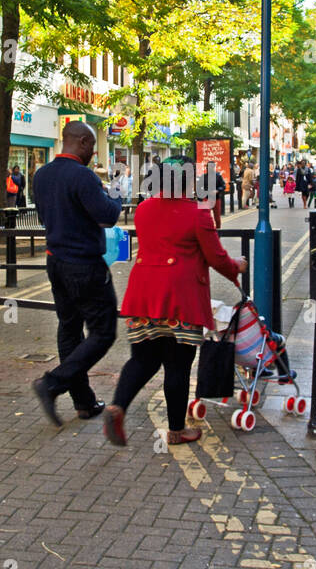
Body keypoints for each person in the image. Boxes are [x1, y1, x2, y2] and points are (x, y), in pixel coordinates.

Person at [103, 155, 246, 446]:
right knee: (177, 366)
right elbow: (216, 257)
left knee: (142, 359)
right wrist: (237, 267)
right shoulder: (197, 213)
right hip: (181, 299)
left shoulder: (143, 209)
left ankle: (117, 406)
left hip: (143, 295)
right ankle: (177, 430)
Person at [30, 121, 123, 427]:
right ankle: (53, 383)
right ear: (81, 142)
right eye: (92, 146)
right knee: (103, 331)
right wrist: (116, 194)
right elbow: (108, 216)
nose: (93, 152)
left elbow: (46, 216)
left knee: (69, 327)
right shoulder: (84, 177)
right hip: (84, 265)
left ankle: (83, 402)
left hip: (55, 262)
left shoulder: (41, 175)